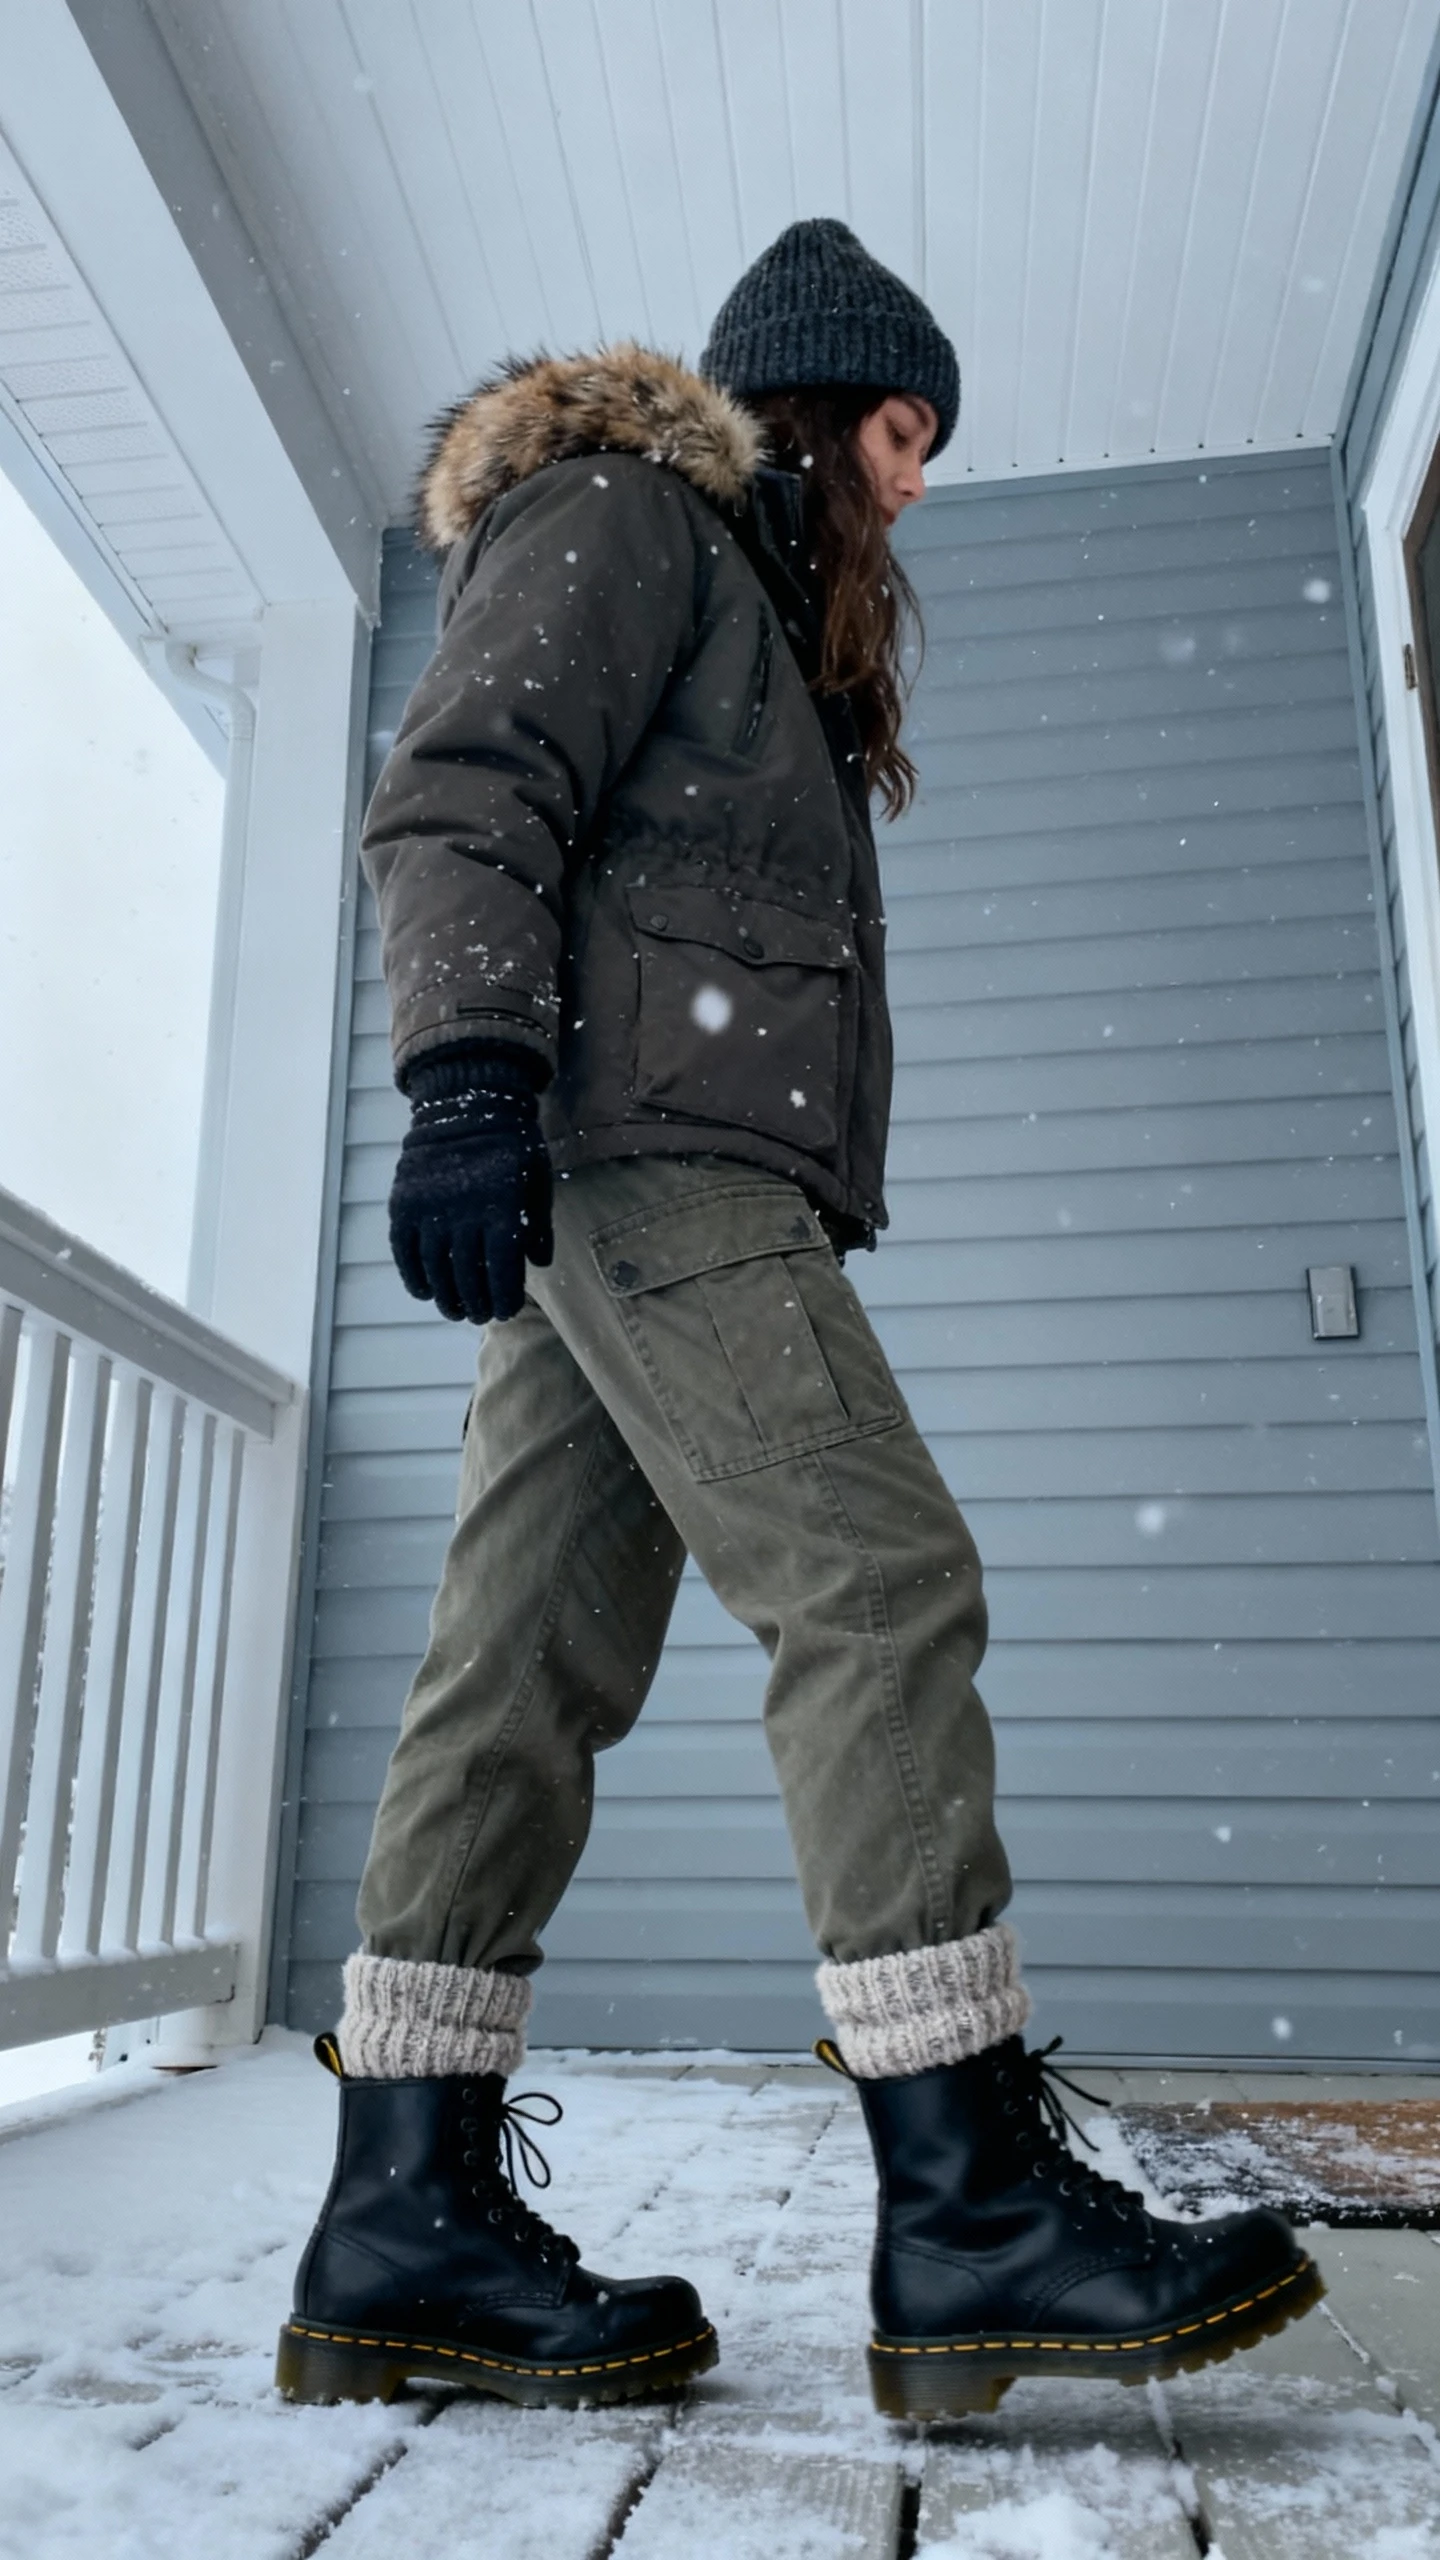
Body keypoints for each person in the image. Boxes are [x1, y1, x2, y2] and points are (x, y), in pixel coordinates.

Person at [278, 220, 1320, 2422]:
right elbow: (466, 784)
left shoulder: (760, 624)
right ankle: (970, 2207)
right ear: (817, 404)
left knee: (521, 1665)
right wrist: (464, 1077)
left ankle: (403, 2219)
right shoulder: (630, 513)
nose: (920, 480)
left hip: (624, 1159)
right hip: (642, 1148)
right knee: (877, 1581)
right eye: (905, 431)